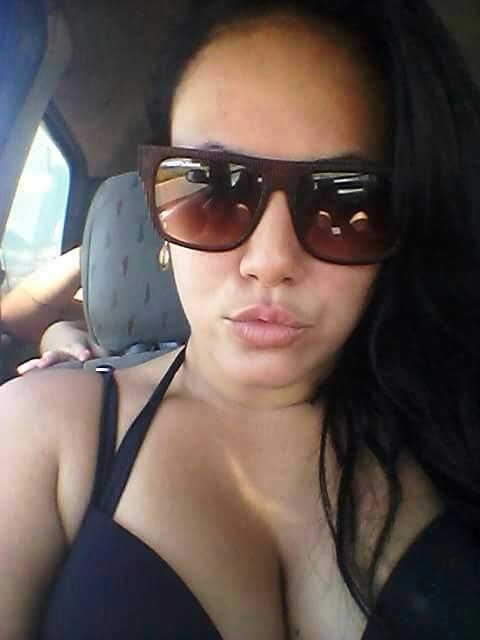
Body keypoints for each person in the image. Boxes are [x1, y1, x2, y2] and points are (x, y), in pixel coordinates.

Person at [1, 1, 479, 638]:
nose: (271, 262)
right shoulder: (41, 430)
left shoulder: (456, 423)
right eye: (212, 190)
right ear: (159, 222)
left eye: (346, 203)